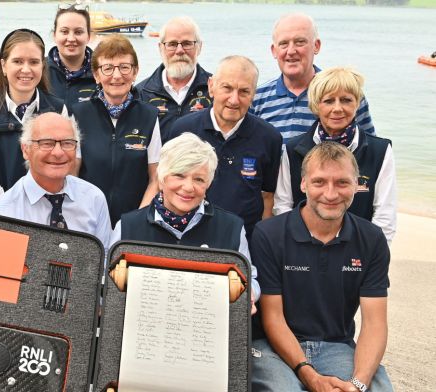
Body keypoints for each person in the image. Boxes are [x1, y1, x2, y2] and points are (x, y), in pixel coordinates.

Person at [250, 142, 392, 392]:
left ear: (357, 185)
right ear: (303, 184)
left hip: (336, 346)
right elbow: (273, 317)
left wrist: (357, 384)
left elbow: (375, 323)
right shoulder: (269, 233)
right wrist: (310, 376)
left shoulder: (371, 238)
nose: (330, 193)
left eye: (342, 183)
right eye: (319, 182)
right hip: (273, 347)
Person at [111, 132, 259, 309]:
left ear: (208, 184)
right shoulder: (127, 227)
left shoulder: (232, 228)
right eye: (179, 175)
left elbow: (250, 281)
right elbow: (109, 288)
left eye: (198, 179)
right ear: (161, 178)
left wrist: (249, 293)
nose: (188, 187)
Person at [274, 67, 396, 242]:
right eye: (329, 101)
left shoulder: (380, 151)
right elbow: (283, 205)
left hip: (361, 251)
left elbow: (385, 215)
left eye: (346, 100)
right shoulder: (293, 149)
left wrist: (373, 254)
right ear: (316, 105)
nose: (337, 108)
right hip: (304, 248)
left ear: (357, 103)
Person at [167, 55, 282, 240]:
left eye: (244, 91)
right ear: (211, 86)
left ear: (253, 95)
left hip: (243, 242)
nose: (234, 100)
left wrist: (262, 242)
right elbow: (166, 187)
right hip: (187, 238)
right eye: (227, 88)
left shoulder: (270, 138)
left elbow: (268, 197)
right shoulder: (182, 130)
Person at [72, 34, 161, 226]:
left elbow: (155, 179)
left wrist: (138, 220)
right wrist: (80, 215)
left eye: (124, 67)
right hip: (87, 219)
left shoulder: (150, 116)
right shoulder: (79, 115)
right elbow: (72, 175)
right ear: (96, 75)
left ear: (135, 71)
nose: (117, 75)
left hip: (134, 222)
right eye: (108, 68)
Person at [0, 29, 68, 208]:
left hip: (46, 210)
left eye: (33, 62)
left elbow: (62, 164)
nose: (26, 69)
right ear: (3, 65)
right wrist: (7, 215)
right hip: (0, 213)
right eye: (17, 61)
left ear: (43, 65)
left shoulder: (58, 108)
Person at [0, 112, 111, 247]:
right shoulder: (2, 213)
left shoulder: (94, 199)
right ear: (25, 150)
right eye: (46, 143)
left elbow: (104, 261)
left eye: (67, 143)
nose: (58, 153)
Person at [251, 13, 376, 141]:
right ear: (274, 50)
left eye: (300, 42)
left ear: (316, 46)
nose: (291, 51)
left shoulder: (346, 94)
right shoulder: (256, 98)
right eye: (283, 43)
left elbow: (370, 149)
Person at [135, 16, 212, 139]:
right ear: (161, 48)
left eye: (187, 43)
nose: (180, 51)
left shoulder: (217, 90)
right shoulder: (141, 94)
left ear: (199, 47)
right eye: (172, 44)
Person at [47, 4, 97, 111]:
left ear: (88, 36)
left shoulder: (102, 73)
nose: (71, 38)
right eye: (64, 31)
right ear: (54, 35)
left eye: (78, 32)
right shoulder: (38, 71)